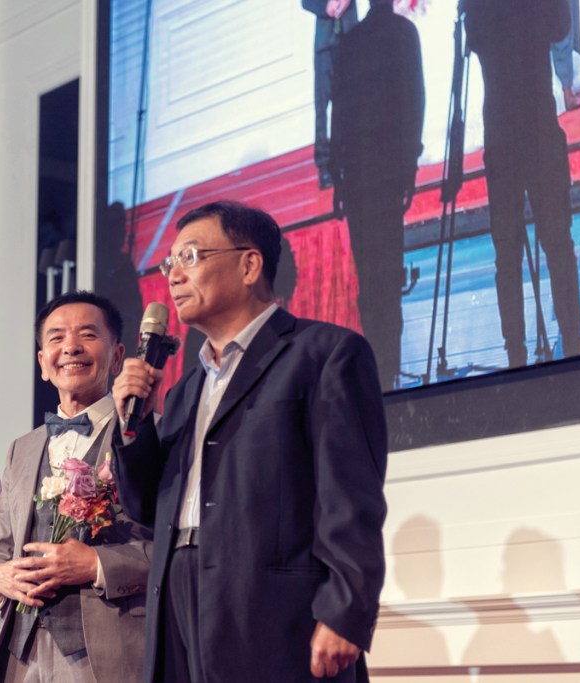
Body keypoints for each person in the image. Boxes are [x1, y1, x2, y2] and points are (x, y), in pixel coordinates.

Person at [111, 200, 387, 682]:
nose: (173, 276)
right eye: (169, 263)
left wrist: (346, 607)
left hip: (272, 609)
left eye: (190, 257)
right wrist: (134, 427)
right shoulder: (186, 388)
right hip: (177, 597)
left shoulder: (325, 354)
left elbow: (352, 495)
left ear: (249, 265)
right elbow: (146, 507)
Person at [0, 291, 152, 683]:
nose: (71, 347)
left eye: (87, 335)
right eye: (56, 337)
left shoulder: (147, 435)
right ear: (43, 363)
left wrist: (95, 564)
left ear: (117, 357)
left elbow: (171, 549)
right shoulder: (21, 449)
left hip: (107, 652)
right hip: (20, 654)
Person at [466, 0, 580, 367]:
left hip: (502, 132)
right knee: (557, 242)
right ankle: (572, 340)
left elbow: (473, 39)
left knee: (508, 253)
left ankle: (516, 350)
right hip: (537, 126)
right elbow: (560, 25)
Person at [330, 0, 424, 390]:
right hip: (385, 173)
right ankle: (389, 371)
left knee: (371, 281)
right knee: (386, 277)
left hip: (359, 176)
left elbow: (340, 114)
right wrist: (409, 165)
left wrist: (338, 177)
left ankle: (381, 375)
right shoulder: (403, 34)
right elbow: (414, 101)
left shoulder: (352, 42)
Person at [302, 0, 358, 189]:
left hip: (350, 38)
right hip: (324, 44)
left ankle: (346, 159)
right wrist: (326, 6)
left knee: (348, 104)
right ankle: (324, 166)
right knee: (322, 106)